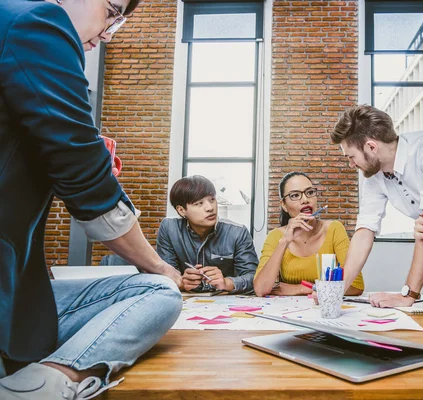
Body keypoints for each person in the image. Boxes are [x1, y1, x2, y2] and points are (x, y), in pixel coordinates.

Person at [0, 1, 183, 398]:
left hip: (17, 289)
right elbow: (90, 188)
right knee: (158, 290)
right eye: (113, 11)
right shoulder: (37, 21)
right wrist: (159, 266)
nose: (107, 32)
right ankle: (44, 386)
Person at [329, 104, 423, 308]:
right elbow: (364, 232)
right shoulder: (374, 177)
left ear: (372, 147)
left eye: (351, 157)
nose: (351, 164)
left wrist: (409, 293)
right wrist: (335, 291)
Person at [254, 172, 364, 297]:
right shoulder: (275, 237)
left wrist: (305, 288)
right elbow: (261, 289)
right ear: (284, 205)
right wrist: (285, 242)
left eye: (310, 193)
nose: (305, 200)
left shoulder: (334, 229)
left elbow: (356, 286)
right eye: (295, 195)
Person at [157, 175, 258, 294]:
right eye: (199, 203)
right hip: (185, 302)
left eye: (212, 199)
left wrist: (227, 282)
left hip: (226, 302)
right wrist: (181, 282)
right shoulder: (169, 229)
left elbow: (254, 277)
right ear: (181, 210)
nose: (210, 208)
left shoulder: (237, 232)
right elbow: (163, 275)